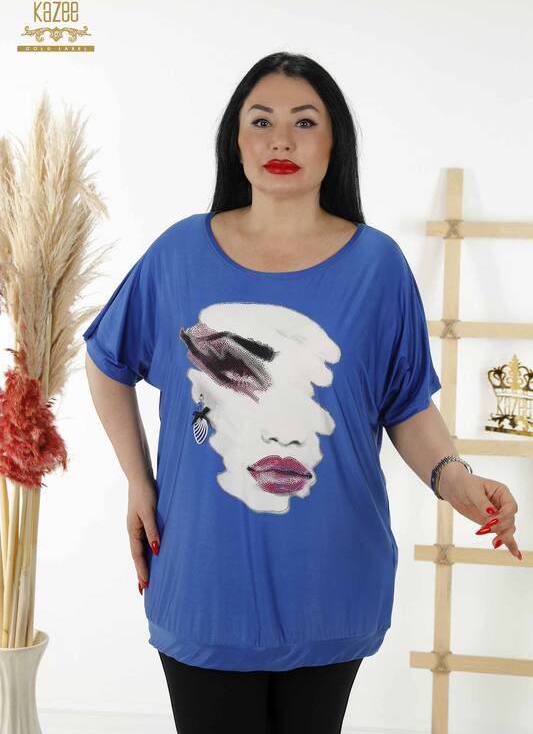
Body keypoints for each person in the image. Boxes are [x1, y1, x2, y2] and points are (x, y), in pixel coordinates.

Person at [83, 52, 521, 734]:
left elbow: (404, 402)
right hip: (203, 580)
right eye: (261, 121)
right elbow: (106, 359)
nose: (281, 139)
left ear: (334, 141)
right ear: (235, 141)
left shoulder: (376, 266)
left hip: (332, 578)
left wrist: (453, 477)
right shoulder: (178, 254)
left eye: (304, 122)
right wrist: (139, 482)